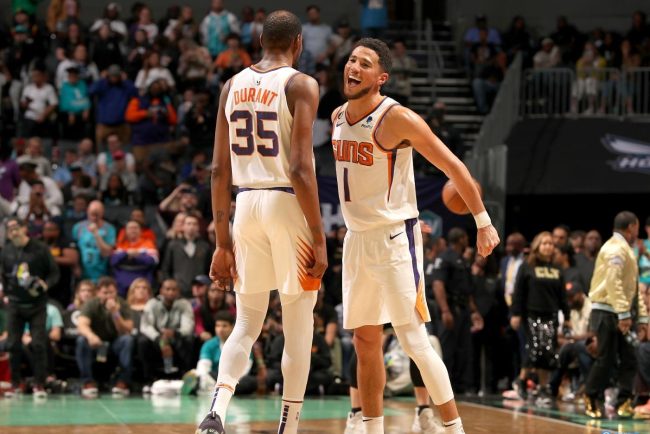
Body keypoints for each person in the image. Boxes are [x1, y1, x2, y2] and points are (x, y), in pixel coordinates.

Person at [330, 38, 499, 434]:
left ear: (381, 77)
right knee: (364, 342)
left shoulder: (398, 118)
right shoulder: (338, 116)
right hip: (356, 240)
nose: (354, 67)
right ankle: (372, 428)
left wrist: (483, 220)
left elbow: (453, 165)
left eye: (365, 64)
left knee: (413, 340)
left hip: (393, 240)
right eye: (352, 60)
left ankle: (454, 428)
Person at [197, 10, 327, 434]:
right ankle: (287, 428)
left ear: (259, 42)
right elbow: (301, 169)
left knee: (246, 323)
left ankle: (216, 410)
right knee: (298, 327)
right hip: (286, 202)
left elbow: (218, 170)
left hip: (246, 205)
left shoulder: (231, 85)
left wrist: (222, 242)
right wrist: (319, 236)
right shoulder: (301, 84)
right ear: (298, 43)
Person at [584, 211, 648, 419]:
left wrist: (642, 317)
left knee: (630, 357)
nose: (638, 232)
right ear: (631, 227)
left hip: (621, 311)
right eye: (637, 228)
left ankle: (624, 401)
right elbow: (613, 282)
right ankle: (591, 397)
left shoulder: (625, 249)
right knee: (605, 359)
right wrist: (623, 313)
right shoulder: (615, 248)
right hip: (607, 311)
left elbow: (633, 288)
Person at [1, 217, 59, 398]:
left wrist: (45, 285)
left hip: (37, 304)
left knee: (39, 343)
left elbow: (54, 273)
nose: (13, 231)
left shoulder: (40, 248)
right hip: (15, 304)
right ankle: (15, 383)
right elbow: (3, 274)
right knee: (12, 344)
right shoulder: (6, 250)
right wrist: (5, 292)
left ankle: (40, 384)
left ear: (24, 228)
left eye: (16, 227)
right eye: (10, 229)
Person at [510, 231, 570, 405]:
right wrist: (515, 314)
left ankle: (543, 388)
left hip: (551, 315)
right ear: (537, 246)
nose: (548, 246)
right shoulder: (527, 266)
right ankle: (522, 380)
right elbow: (518, 292)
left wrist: (567, 316)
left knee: (548, 352)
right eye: (544, 243)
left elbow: (562, 295)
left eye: (550, 244)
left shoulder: (557, 268)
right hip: (531, 314)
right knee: (534, 349)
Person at [75, 276, 134, 398]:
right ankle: (87, 382)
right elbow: (81, 325)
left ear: (116, 292)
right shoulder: (91, 304)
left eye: (111, 292)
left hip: (115, 342)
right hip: (96, 343)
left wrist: (115, 313)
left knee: (128, 340)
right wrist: (91, 336)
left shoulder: (122, 304)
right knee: (81, 340)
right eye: (105, 293)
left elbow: (127, 329)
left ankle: (122, 382)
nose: (108, 296)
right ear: (98, 293)